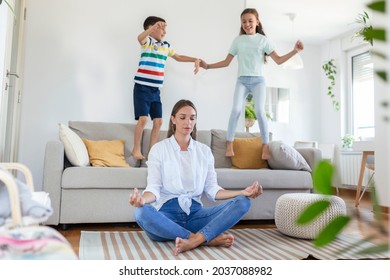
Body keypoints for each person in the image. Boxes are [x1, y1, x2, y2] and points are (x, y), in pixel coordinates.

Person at [129, 99, 263, 255]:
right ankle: (203, 238)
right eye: (182, 117)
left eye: (192, 118)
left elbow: (213, 189)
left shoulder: (204, 151)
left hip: (196, 216)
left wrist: (242, 192)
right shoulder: (159, 149)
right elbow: (154, 188)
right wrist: (142, 200)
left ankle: (194, 240)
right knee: (140, 212)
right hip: (167, 217)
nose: (188, 122)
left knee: (243, 202)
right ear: (173, 119)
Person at [200, 8, 304, 160]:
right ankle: (229, 143)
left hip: (258, 81)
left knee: (260, 112)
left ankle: (265, 147)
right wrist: (207, 66)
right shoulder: (238, 41)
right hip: (242, 80)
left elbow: (279, 60)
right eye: (244, 22)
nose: (247, 24)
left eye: (250, 21)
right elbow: (226, 62)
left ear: (257, 22)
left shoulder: (263, 40)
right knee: (235, 110)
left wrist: (295, 51)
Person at [132, 16, 201, 160]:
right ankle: (136, 149)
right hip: (142, 88)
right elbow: (140, 38)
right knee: (143, 119)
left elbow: (179, 57)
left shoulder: (166, 46)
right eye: (161, 27)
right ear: (150, 29)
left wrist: (194, 59)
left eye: (165, 28)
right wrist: (152, 28)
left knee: (158, 121)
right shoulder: (147, 42)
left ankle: (152, 152)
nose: (164, 31)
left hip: (155, 90)